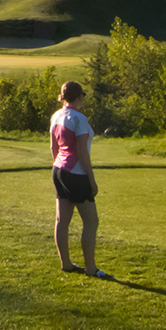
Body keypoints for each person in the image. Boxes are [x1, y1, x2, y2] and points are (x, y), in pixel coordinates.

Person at [50, 80, 111, 279]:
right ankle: (91, 268)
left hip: (59, 169)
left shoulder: (56, 116)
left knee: (62, 220)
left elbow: (54, 148)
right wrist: (91, 180)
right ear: (79, 97)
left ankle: (66, 264)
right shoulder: (79, 119)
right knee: (91, 221)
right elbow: (83, 153)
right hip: (76, 174)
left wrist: (60, 168)